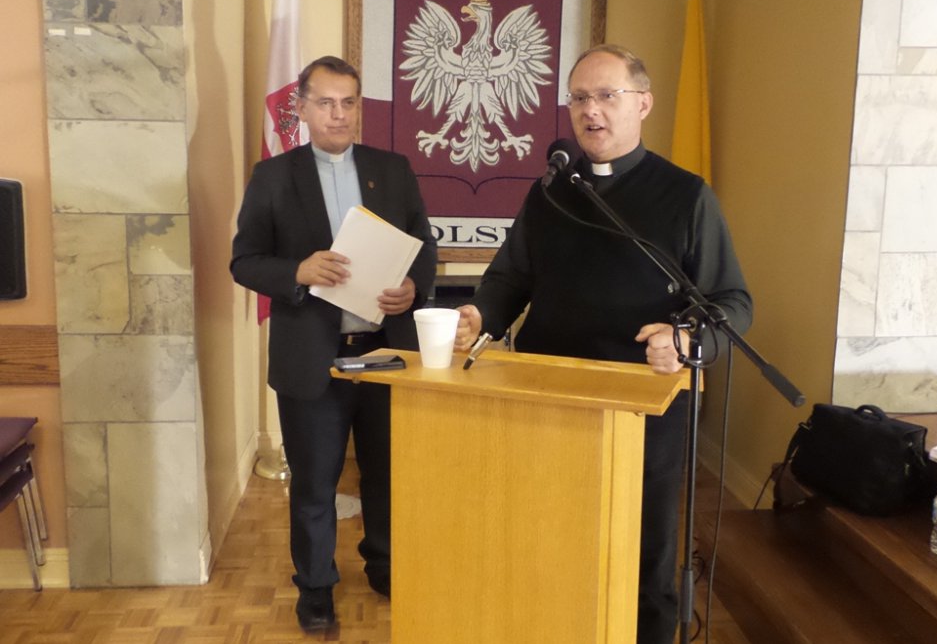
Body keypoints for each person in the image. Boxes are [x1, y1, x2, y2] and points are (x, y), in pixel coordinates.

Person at [454, 43, 752, 643]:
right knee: (547, 536)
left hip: (644, 404)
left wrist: (685, 338)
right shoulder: (549, 191)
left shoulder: (685, 195)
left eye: (607, 96)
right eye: (580, 98)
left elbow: (733, 303)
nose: (592, 110)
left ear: (643, 103)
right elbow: (511, 277)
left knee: (644, 548)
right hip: (549, 396)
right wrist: (480, 314)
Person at [231, 56, 437, 632]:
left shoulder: (392, 169)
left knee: (386, 474)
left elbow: (423, 244)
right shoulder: (273, 176)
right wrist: (297, 271)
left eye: (348, 103)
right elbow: (244, 261)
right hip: (312, 359)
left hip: (384, 353)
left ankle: (384, 565)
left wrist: (414, 287)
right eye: (325, 103)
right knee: (316, 483)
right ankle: (316, 586)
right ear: (301, 107)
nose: (338, 114)